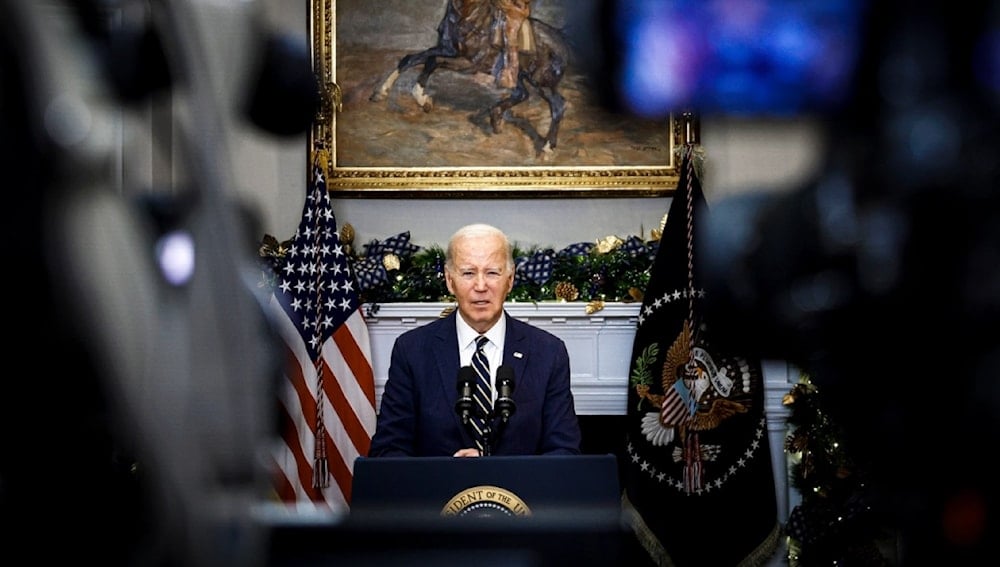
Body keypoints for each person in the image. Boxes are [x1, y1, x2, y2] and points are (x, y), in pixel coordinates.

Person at [368, 223, 581, 457]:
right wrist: (447, 476)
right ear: (450, 281)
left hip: (522, 494)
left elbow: (564, 451)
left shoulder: (548, 352)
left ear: (510, 280)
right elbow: (388, 449)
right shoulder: (412, 350)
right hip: (440, 492)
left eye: (492, 273)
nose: (481, 286)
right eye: (468, 273)